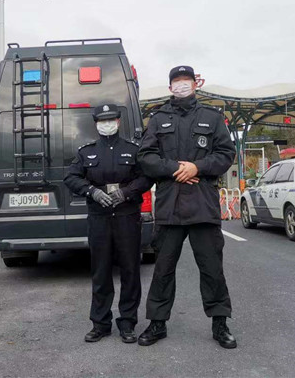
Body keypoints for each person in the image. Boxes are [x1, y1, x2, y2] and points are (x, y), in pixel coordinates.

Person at [137, 66, 237, 349]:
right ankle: (157, 323)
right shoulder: (158, 119)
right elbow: (145, 156)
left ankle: (220, 323)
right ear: (170, 87)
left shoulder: (212, 117)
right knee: (163, 269)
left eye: (186, 81)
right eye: (177, 82)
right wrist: (175, 169)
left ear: (195, 84)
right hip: (170, 205)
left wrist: (197, 167)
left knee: (212, 269)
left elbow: (226, 154)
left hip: (203, 204)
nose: (181, 86)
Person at [64, 104, 153, 344]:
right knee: (100, 271)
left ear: (118, 122)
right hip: (99, 218)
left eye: (111, 120)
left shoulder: (133, 150)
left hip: (127, 216)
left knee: (130, 271)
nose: (107, 124)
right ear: (96, 124)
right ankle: (100, 324)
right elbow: (71, 177)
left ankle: (127, 322)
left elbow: (147, 177)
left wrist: (127, 192)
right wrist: (91, 191)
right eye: (102, 121)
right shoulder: (87, 152)